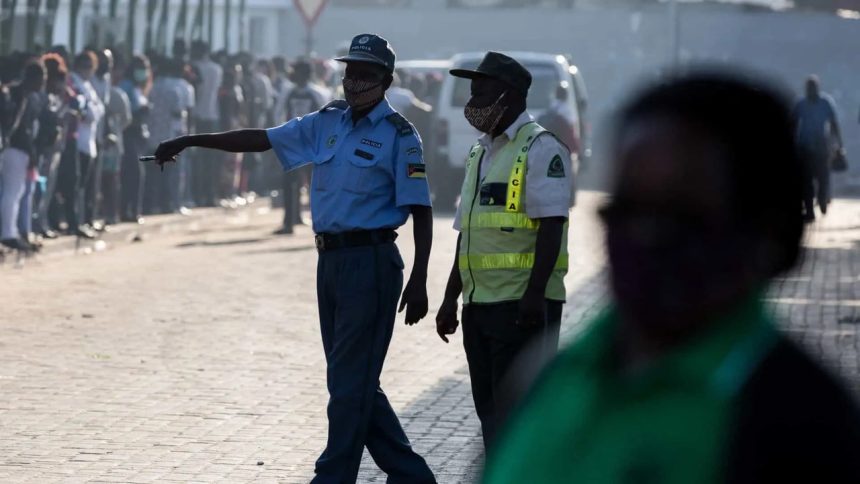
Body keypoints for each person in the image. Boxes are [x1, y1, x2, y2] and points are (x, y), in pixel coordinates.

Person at [483, 73, 860, 484]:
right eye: (627, 209)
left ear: (768, 231)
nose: (646, 236)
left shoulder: (803, 422)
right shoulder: (545, 379)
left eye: (682, 215)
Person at [153, 33, 436, 484]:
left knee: (348, 383)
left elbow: (421, 210)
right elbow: (260, 139)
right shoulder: (328, 122)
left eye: (364, 73)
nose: (353, 80)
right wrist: (191, 139)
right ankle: (412, 476)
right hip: (330, 263)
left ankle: (332, 476)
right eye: (349, 71)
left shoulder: (401, 136)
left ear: (385, 79)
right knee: (352, 380)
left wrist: (420, 279)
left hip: (373, 263)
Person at [434, 52, 572, 450]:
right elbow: (468, 231)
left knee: (519, 419)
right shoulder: (480, 152)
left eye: (481, 90)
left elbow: (552, 225)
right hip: (479, 307)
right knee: (491, 415)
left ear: (508, 95)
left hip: (521, 308)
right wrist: (450, 298)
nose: (472, 99)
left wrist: (534, 295)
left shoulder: (542, 149)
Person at [273, 57, 330, 235]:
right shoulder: (288, 92)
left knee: (315, 183)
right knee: (290, 182)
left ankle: (319, 221)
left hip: (312, 143)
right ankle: (290, 220)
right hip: (293, 142)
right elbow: (278, 114)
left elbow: (326, 116)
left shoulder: (317, 93)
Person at [1, 60, 45, 252]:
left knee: (14, 193)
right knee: (12, 192)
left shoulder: (21, 94)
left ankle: (10, 232)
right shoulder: (17, 95)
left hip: (10, 147)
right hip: (14, 149)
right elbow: (16, 129)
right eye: (41, 79)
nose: (42, 83)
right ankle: (8, 234)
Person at [793, 75, 843, 222]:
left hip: (822, 147)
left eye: (813, 88)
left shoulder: (825, 103)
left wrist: (839, 144)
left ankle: (822, 199)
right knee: (806, 181)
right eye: (808, 89)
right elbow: (793, 124)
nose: (810, 91)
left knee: (823, 178)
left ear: (817, 88)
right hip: (805, 148)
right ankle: (809, 210)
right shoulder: (801, 104)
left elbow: (833, 123)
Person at [69, 50, 105, 234]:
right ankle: (75, 221)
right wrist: (91, 112)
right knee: (76, 185)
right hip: (78, 141)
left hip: (89, 141)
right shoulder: (73, 81)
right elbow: (88, 112)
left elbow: (98, 110)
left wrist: (92, 112)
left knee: (85, 185)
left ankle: (84, 219)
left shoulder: (87, 84)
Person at [119, 54, 152, 223]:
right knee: (132, 173)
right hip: (128, 133)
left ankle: (135, 210)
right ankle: (126, 210)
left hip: (139, 135)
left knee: (138, 174)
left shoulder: (140, 88)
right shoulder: (126, 86)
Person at [190, 41, 223, 207]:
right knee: (211, 160)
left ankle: (198, 195)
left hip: (197, 117)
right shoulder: (217, 69)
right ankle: (210, 195)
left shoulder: (194, 67)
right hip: (213, 116)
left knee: (197, 159)